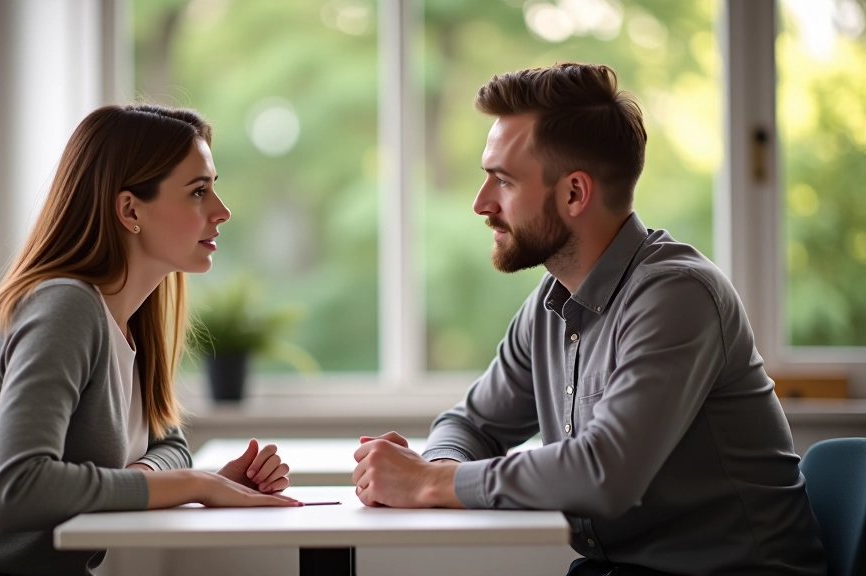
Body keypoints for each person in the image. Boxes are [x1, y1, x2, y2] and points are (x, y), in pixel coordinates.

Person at [353, 64, 827, 576]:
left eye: (503, 180)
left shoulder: (677, 296)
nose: (481, 203)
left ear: (575, 193)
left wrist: (430, 482)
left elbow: (605, 473)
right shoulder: (550, 304)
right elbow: (470, 424)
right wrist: (439, 467)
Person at [0, 104, 299, 576]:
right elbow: (15, 490)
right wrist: (196, 485)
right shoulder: (65, 307)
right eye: (198, 191)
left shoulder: (129, 317)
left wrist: (171, 480)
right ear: (130, 209)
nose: (222, 211)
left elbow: (171, 446)